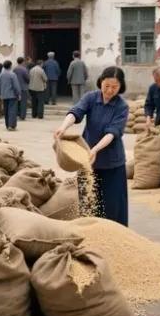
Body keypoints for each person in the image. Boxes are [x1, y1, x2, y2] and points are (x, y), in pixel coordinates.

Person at [53, 67, 130, 225]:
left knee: (112, 205)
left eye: (114, 87)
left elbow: (112, 133)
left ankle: (114, 237)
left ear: (121, 86)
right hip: (87, 160)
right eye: (106, 85)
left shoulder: (122, 106)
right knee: (89, 203)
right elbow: (76, 112)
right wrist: (63, 127)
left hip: (111, 162)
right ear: (100, 82)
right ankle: (92, 234)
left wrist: (94, 149)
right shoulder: (90, 98)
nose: (109, 90)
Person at [0, 61, 21, 131]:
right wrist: (18, 94)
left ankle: (7, 125)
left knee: (6, 111)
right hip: (12, 95)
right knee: (12, 111)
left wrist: (1, 93)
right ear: (10, 66)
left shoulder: (1, 75)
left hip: (4, 95)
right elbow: (16, 86)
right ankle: (11, 125)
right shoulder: (12, 74)